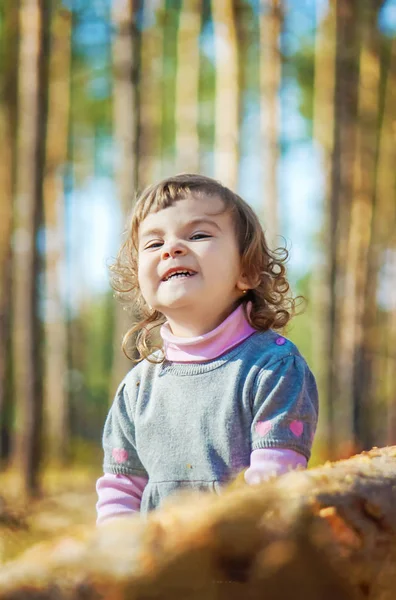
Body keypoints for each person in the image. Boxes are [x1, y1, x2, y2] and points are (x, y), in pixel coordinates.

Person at [96, 173, 318, 524]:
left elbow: (273, 488)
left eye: (198, 235)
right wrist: (118, 559)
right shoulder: (137, 389)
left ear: (246, 271)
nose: (172, 248)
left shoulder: (273, 366)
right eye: (154, 244)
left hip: (243, 564)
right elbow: (121, 491)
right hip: (159, 571)